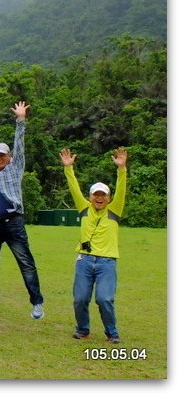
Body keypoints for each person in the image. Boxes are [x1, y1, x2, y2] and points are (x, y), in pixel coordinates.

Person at [0, 102, 45, 319]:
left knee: (25, 262)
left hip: (14, 223)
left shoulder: (15, 167)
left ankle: (37, 302)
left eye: (3, 155)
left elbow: (19, 145)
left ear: (9, 156)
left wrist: (21, 120)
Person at [59, 147, 128, 344]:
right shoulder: (84, 209)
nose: (99, 198)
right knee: (80, 299)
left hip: (107, 262)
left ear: (108, 197)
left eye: (103, 195)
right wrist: (68, 168)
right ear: (90, 197)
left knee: (104, 299)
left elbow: (121, 189)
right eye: (95, 195)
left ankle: (112, 333)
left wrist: (121, 169)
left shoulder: (115, 210)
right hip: (84, 261)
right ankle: (82, 330)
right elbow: (73, 187)